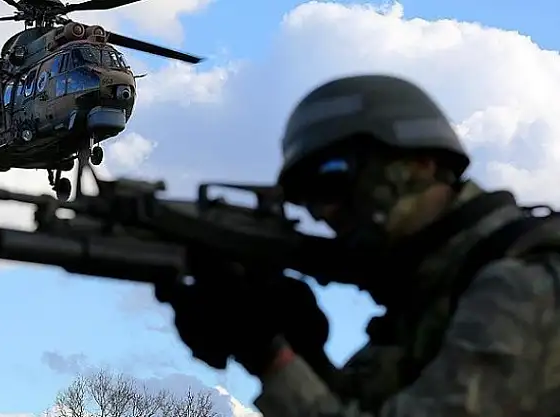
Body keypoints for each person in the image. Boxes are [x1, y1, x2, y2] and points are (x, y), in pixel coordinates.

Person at [157, 75, 560, 416]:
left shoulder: (520, 283)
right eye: (308, 196)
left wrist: (271, 359)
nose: (324, 212)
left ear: (422, 163)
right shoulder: (433, 298)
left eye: (334, 178)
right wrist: (304, 357)